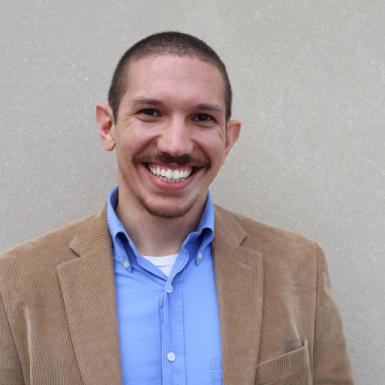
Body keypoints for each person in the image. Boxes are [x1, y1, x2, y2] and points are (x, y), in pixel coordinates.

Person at [0, 31, 354, 385]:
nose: (176, 145)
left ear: (228, 139)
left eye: (201, 118)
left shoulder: (299, 267)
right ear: (108, 127)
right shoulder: (18, 280)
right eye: (150, 112)